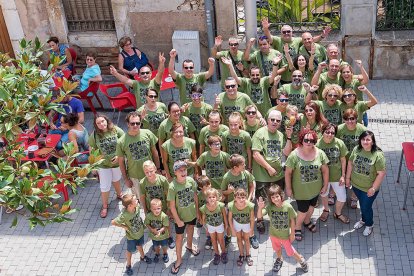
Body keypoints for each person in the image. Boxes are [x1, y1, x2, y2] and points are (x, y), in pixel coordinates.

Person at [251, 110, 293, 234]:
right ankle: (259, 221)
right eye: (272, 119)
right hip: (262, 176)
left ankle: (276, 219)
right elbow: (255, 154)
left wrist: (289, 137)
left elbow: (286, 152)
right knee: (261, 202)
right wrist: (269, 168)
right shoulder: (260, 133)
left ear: (280, 123)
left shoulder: (280, 135)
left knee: (277, 199)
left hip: (278, 175)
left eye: (278, 120)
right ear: (267, 120)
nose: (275, 122)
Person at [285, 129, 329, 241]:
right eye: (306, 139)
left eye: (311, 140)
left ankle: (307, 221)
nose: (308, 142)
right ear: (301, 140)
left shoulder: (320, 153)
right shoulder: (294, 155)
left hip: (315, 190)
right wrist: (289, 189)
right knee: (302, 210)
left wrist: (325, 185)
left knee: (311, 207)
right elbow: (288, 173)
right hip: (301, 191)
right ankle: (297, 226)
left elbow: (325, 170)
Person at [257, 186, 309, 273]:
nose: (275, 199)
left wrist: (292, 234)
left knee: (290, 251)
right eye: (272, 197)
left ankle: (301, 260)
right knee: (277, 248)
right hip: (273, 234)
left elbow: (293, 220)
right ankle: (279, 259)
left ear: (281, 195)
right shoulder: (270, 206)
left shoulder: (288, 207)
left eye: (277, 196)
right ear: (270, 199)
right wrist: (260, 207)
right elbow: (259, 216)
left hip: (285, 236)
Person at [346, 131, 386, 236]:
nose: (365, 141)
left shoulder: (378, 155)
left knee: (365, 207)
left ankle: (369, 224)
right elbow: (350, 163)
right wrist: (347, 178)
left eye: (368, 139)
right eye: (363, 139)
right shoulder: (357, 149)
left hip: (369, 188)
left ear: (372, 142)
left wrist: (373, 188)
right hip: (356, 185)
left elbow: (381, 174)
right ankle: (363, 220)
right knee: (363, 206)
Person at [116, 112, 160, 199]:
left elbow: (155, 153)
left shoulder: (148, 133)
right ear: (128, 124)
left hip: (151, 173)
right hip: (135, 177)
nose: (135, 125)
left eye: (138, 123)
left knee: (155, 198)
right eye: (132, 123)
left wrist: (158, 169)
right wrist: (126, 179)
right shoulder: (121, 141)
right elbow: (121, 162)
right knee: (142, 200)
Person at [89, 114, 124, 218]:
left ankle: (119, 194)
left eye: (102, 121)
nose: (101, 124)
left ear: (106, 120)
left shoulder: (115, 129)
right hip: (103, 165)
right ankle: (105, 206)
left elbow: (124, 142)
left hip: (116, 163)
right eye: (98, 123)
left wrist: (119, 156)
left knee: (116, 179)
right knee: (105, 186)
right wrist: (94, 167)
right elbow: (92, 151)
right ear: (96, 125)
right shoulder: (94, 135)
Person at [168, 160, 199, 275]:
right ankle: (179, 259)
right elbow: (172, 206)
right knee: (179, 238)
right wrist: (177, 220)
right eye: (180, 170)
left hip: (191, 214)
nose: (183, 172)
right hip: (180, 218)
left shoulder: (191, 181)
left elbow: (195, 196)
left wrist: (197, 212)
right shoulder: (172, 186)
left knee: (191, 229)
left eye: (185, 169)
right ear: (175, 172)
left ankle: (189, 246)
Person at [221, 154, 258, 249]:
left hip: (245, 204)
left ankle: (251, 236)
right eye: (243, 165)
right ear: (235, 167)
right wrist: (228, 191)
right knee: (230, 223)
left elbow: (252, 185)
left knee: (249, 220)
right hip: (233, 205)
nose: (245, 166)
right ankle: (228, 237)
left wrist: (249, 199)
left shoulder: (245, 173)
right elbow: (222, 192)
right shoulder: (227, 177)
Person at [316, 123, 349, 223]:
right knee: (324, 195)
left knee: (342, 198)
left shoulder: (339, 143)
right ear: (322, 132)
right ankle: (326, 210)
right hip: (322, 177)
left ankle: (337, 213)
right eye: (327, 132)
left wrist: (343, 175)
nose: (330, 134)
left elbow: (343, 160)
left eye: (332, 133)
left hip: (336, 176)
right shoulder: (317, 144)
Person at [111, 194, 152, 276]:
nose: (137, 200)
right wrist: (124, 226)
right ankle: (128, 265)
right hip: (131, 237)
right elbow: (113, 222)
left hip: (139, 232)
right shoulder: (124, 215)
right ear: (129, 205)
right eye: (135, 200)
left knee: (140, 244)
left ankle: (143, 257)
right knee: (130, 251)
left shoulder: (136, 208)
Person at [139, 160, 175, 249]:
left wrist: (169, 208)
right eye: (146, 172)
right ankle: (156, 239)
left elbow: (168, 194)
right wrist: (145, 209)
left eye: (151, 171)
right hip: (151, 208)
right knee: (154, 223)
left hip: (163, 207)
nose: (149, 174)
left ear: (155, 169)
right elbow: (142, 197)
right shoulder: (142, 183)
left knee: (166, 222)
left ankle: (169, 237)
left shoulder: (162, 180)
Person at [336, 108, 367, 209]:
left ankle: (354, 197)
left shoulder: (362, 130)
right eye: (347, 119)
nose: (350, 121)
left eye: (352, 118)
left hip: (356, 160)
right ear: (344, 120)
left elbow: (368, 144)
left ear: (356, 119)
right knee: (339, 176)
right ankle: (335, 195)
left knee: (355, 178)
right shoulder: (340, 129)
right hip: (342, 158)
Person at [199, 188, 229, 265]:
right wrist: (206, 227)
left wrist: (226, 225)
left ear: (217, 197)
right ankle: (216, 254)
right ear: (206, 198)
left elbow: (224, 216)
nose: (212, 199)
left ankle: (223, 253)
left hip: (219, 225)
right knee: (213, 240)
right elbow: (203, 219)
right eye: (209, 197)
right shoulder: (204, 208)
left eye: (213, 197)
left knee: (221, 240)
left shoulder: (221, 205)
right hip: (211, 226)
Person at [228, 188, 255, 266]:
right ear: (235, 198)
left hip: (246, 223)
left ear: (246, 197)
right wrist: (232, 229)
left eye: (243, 197)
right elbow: (230, 218)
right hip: (237, 223)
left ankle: (248, 255)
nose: (241, 199)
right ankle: (241, 255)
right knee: (239, 239)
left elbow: (252, 219)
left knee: (246, 239)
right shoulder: (231, 205)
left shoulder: (250, 206)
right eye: (238, 197)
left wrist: (251, 229)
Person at [144, 198, 170, 263]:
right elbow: (147, 224)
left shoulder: (164, 216)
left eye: (158, 208)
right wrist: (152, 230)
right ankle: (157, 254)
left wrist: (160, 231)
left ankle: (165, 254)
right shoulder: (149, 216)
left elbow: (166, 226)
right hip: (154, 236)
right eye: (154, 209)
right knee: (156, 246)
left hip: (163, 236)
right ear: (151, 209)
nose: (156, 210)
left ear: (161, 207)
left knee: (164, 246)